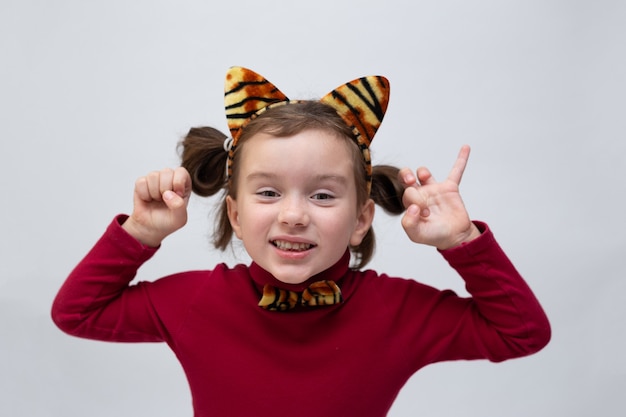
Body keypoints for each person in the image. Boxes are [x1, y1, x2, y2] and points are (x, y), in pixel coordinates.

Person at [52, 66, 551, 416]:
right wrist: (140, 233)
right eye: (268, 192)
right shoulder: (196, 301)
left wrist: (462, 240)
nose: (293, 215)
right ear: (236, 213)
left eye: (321, 195)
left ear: (361, 220)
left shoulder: (397, 311)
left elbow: (522, 332)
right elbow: (77, 313)